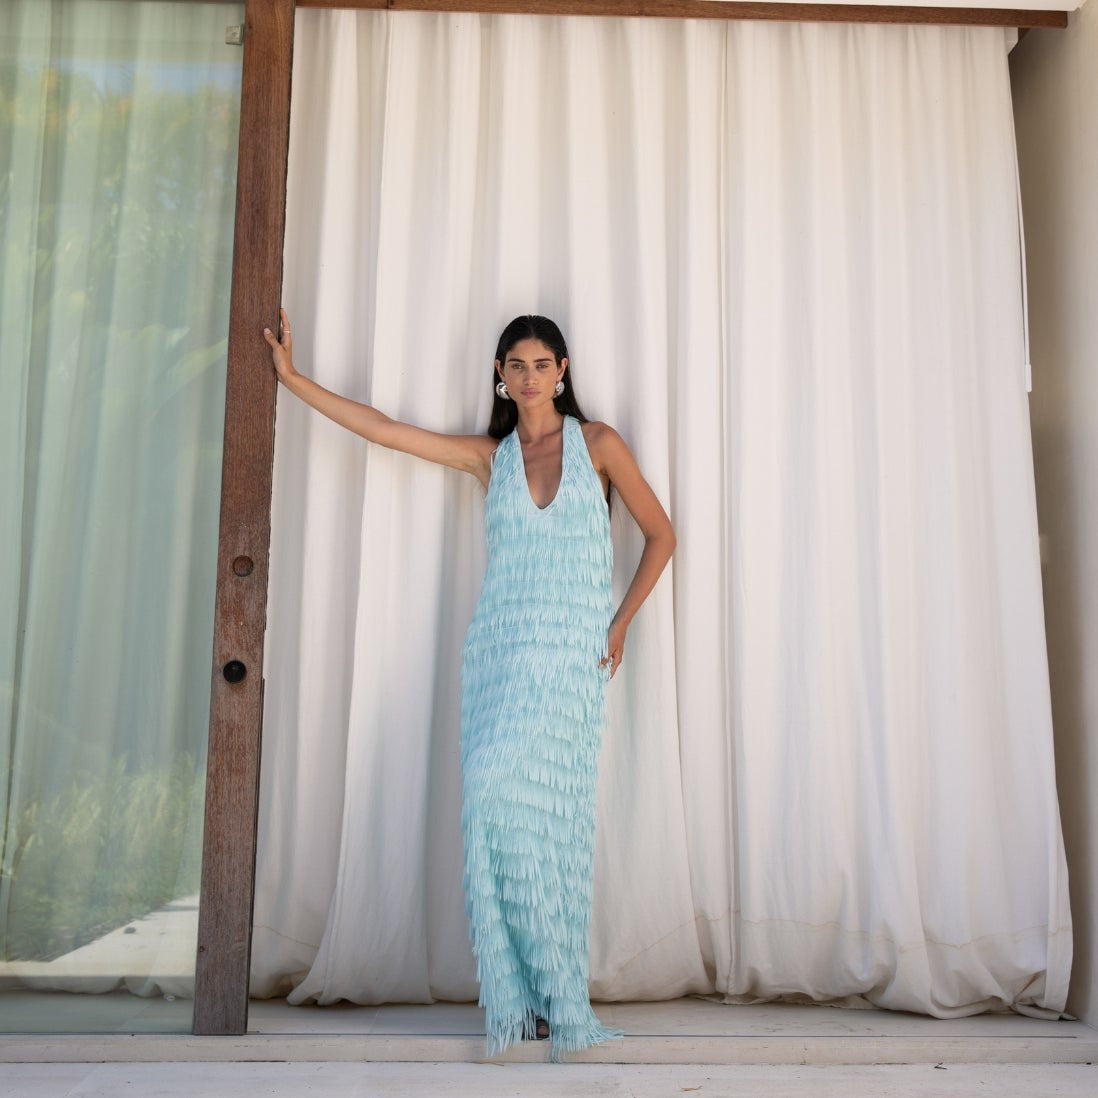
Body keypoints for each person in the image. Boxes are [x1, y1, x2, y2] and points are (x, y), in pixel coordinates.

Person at [263, 308, 675, 1059]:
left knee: (550, 826)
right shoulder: (493, 457)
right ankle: (527, 997)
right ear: (500, 375)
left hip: (571, 660)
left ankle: (553, 994)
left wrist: (618, 624)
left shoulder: (599, 444)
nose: (528, 376)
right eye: (514, 364)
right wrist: (293, 380)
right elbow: (387, 430)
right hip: (497, 656)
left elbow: (662, 535)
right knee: (491, 802)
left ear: (563, 370)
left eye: (541, 363)